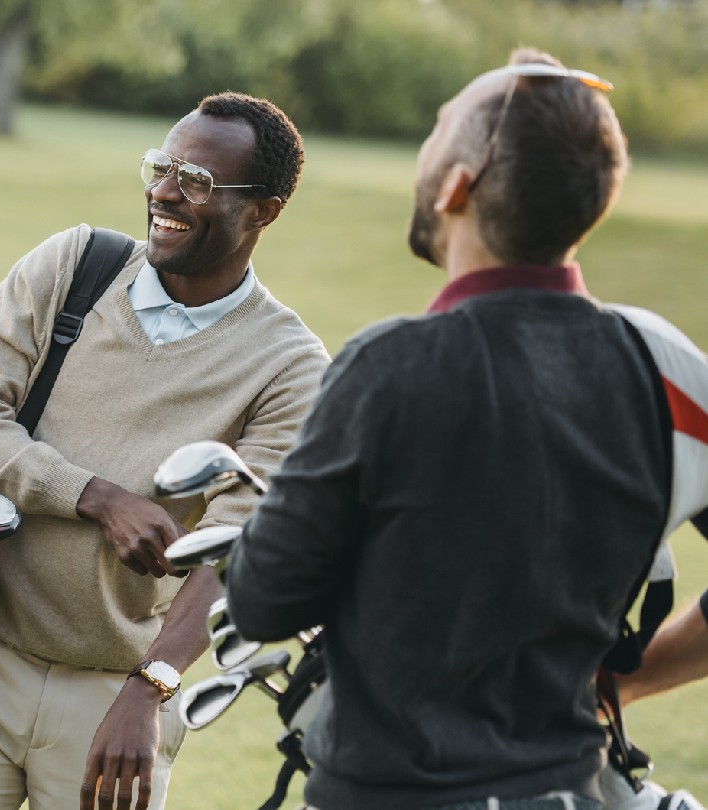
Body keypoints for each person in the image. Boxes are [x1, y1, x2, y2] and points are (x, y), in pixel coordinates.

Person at [225, 49, 692, 810]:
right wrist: (623, 680)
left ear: (456, 185)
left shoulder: (387, 368)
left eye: (439, 127)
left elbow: (263, 602)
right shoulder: (663, 369)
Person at [0, 92, 329, 810]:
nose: (164, 192)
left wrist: (152, 687)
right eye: (162, 167)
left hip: (119, 693)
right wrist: (98, 498)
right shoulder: (74, 267)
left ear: (264, 211)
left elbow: (239, 549)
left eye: (197, 182)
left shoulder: (290, 364)